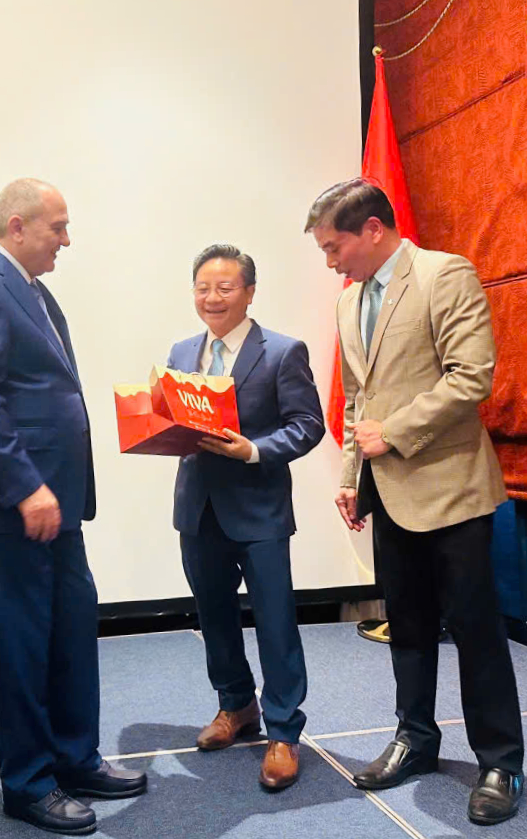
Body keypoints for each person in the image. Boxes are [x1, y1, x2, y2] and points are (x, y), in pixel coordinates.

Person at [305, 178, 524, 825]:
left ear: (373, 229)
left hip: (453, 489)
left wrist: (393, 432)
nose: (330, 261)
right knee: (407, 626)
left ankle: (500, 762)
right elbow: (358, 399)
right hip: (387, 492)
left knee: (477, 632)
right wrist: (352, 474)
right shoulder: (350, 302)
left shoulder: (444, 275)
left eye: (333, 246)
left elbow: (472, 375)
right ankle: (416, 738)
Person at [0, 178, 146, 836]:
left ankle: (74, 758)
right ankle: (28, 783)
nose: (66, 239)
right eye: (58, 227)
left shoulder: (34, 290)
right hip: (15, 504)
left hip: (56, 502)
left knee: (72, 626)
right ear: (18, 225)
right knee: (27, 642)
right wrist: (25, 484)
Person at [166, 244, 324, 790]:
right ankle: (236, 706)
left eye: (225, 288)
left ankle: (283, 731)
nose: (212, 298)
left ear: (249, 293)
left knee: (276, 623)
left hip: (260, 511)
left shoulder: (282, 351)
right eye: (203, 288)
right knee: (214, 618)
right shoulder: (181, 351)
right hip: (198, 508)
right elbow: (173, 422)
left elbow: (307, 425)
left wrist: (253, 450)